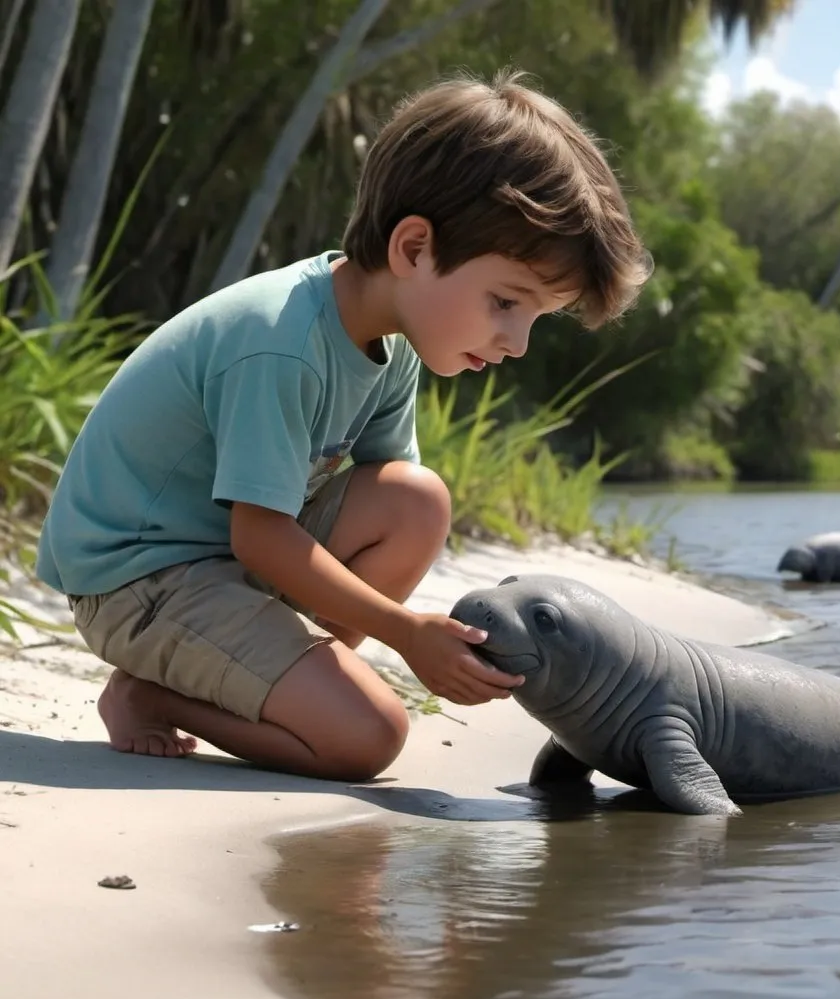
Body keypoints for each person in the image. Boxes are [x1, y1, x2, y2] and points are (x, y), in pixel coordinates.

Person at [35, 69, 651, 781]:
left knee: (415, 501)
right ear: (413, 249)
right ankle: (155, 693)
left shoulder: (389, 345)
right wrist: (406, 634)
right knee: (368, 738)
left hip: (218, 562)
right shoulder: (281, 342)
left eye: (536, 318)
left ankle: (282, 683)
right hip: (136, 578)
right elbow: (260, 535)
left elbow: (372, 503)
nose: (517, 343)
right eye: (507, 303)